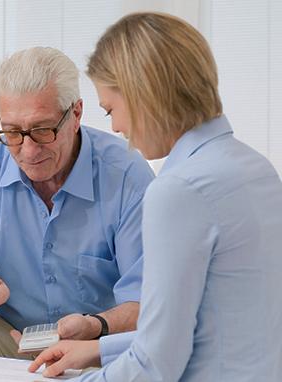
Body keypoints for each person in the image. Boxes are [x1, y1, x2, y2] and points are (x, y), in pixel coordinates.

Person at [29, 12, 282, 381]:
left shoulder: (179, 190)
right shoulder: (254, 167)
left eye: (112, 109)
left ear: (143, 94)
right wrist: (98, 349)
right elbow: (197, 327)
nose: (116, 127)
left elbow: (156, 364)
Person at [0, 46, 155, 382]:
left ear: (76, 115)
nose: (28, 150)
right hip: (10, 337)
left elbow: (145, 304)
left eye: (43, 130)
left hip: (96, 342)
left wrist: (95, 325)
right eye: (13, 132)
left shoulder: (126, 174)